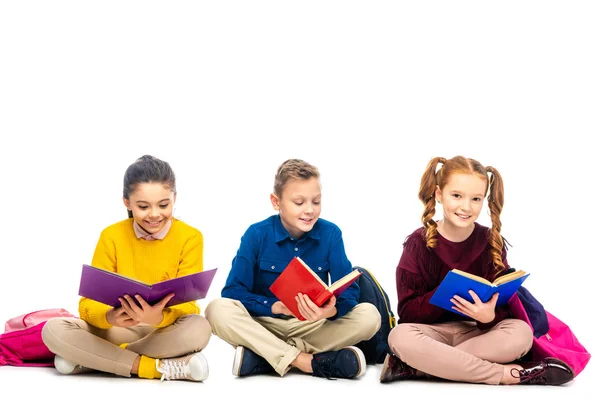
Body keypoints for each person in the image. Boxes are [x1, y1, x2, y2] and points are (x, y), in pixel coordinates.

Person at [380, 156, 574, 386]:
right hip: (430, 334)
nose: (466, 207)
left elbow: (503, 305)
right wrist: (444, 293)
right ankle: (506, 375)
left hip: (477, 334)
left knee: (521, 332)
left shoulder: (490, 241)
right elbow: (408, 312)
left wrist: (488, 316)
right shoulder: (417, 243)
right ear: (439, 194)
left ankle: (420, 368)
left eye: (476, 199)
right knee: (399, 337)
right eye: (456, 196)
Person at [42, 155, 212, 382]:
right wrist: (110, 316)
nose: (154, 214)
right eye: (143, 206)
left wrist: (156, 317)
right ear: (127, 202)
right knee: (53, 329)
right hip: (116, 330)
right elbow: (86, 305)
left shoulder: (190, 237)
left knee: (200, 327)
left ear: (175, 198)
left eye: (164, 205)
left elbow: (189, 306)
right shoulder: (111, 236)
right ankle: (152, 367)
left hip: (164, 332)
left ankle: (96, 360)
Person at [206, 159, 380, 379]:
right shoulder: (256, 234)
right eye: (299, 202)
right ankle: (305, 361)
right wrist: (276, 307)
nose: (309, 210)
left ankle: (266, 356)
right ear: (276, 202)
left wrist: (330, 311)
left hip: (312, 327)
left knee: (370, 316)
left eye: (316, 201)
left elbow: (350, 291)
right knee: (216, 309)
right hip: (265, 325)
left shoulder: (331, 234)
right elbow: (232, 292)